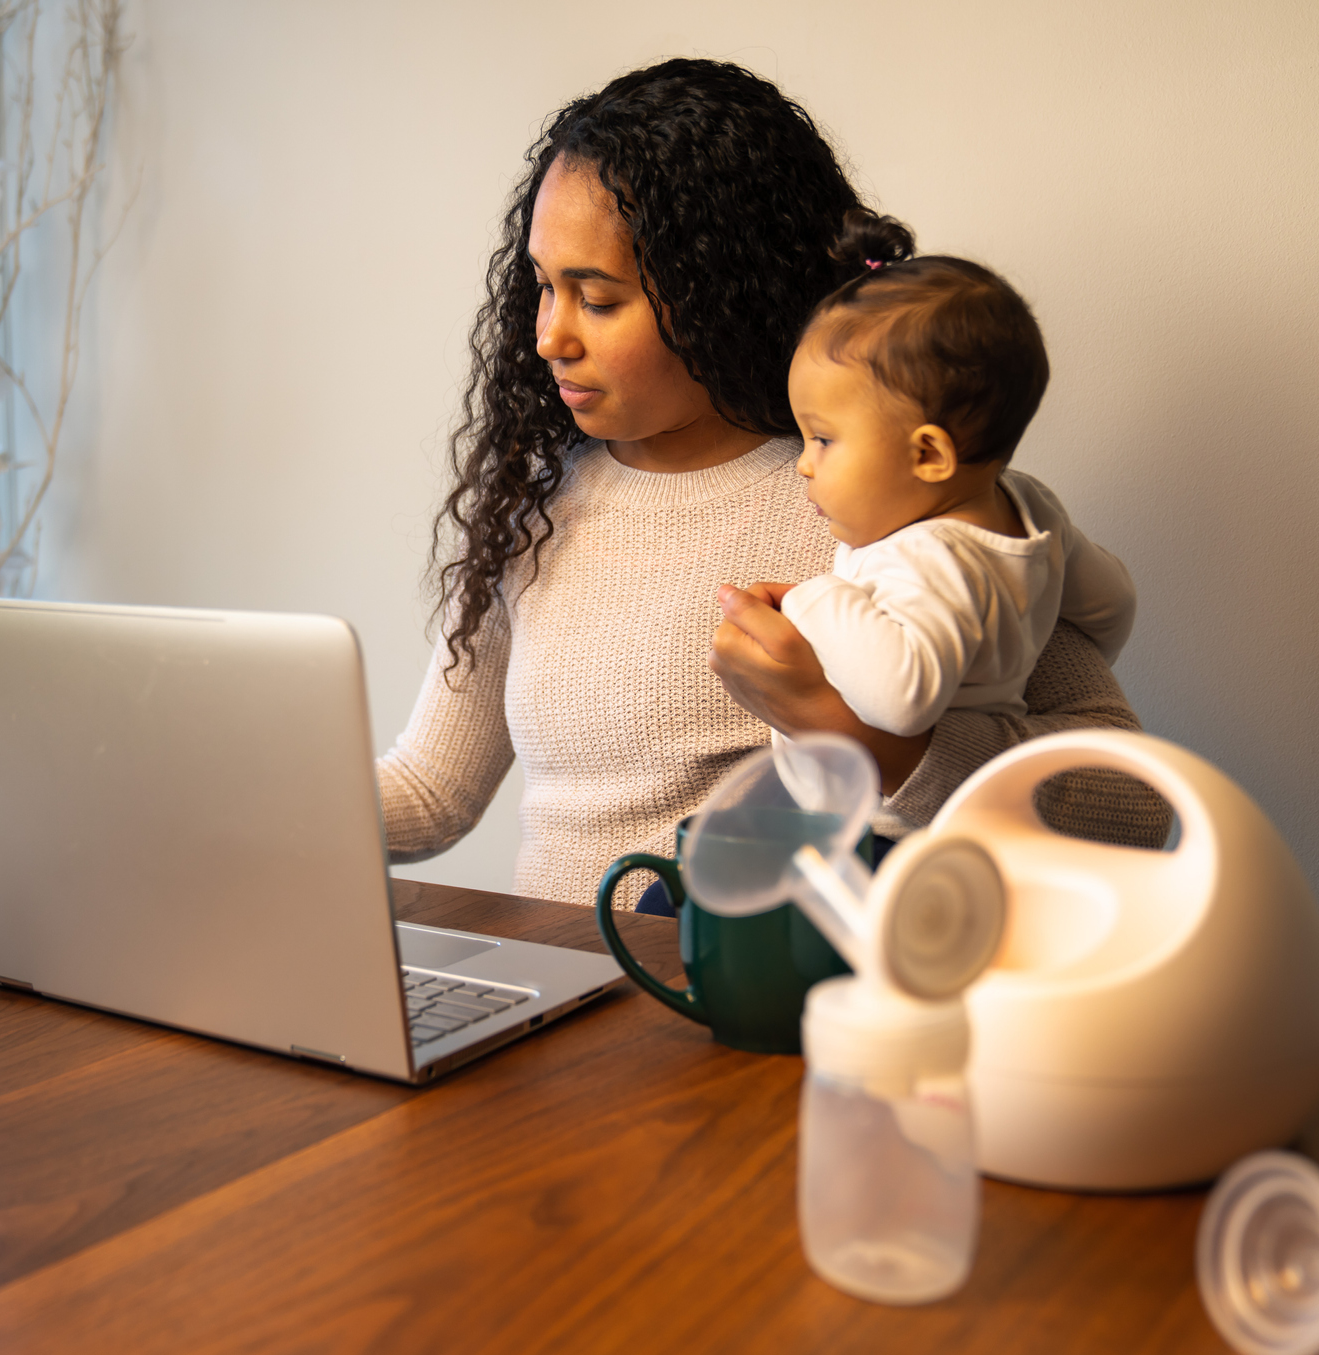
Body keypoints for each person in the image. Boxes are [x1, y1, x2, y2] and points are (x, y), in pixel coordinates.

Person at [375, 58, 1166, 910]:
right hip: (566, 1015)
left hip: (753, 1021)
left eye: (597, 300)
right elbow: (430, 792)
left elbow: (1130, 804)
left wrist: (865, 741)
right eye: (542, 287)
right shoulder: (531, 509)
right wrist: (237, 797)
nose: (547, 338)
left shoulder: (878, 502)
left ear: (715, 293)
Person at [774, 210, 1136, 740]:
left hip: (883, 812)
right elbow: (1113, 605)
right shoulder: (1032, 505)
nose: (804, 463)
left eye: (823, 439)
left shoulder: (924, 558)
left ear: (928, 456)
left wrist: (811, 599)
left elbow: (901, 702)